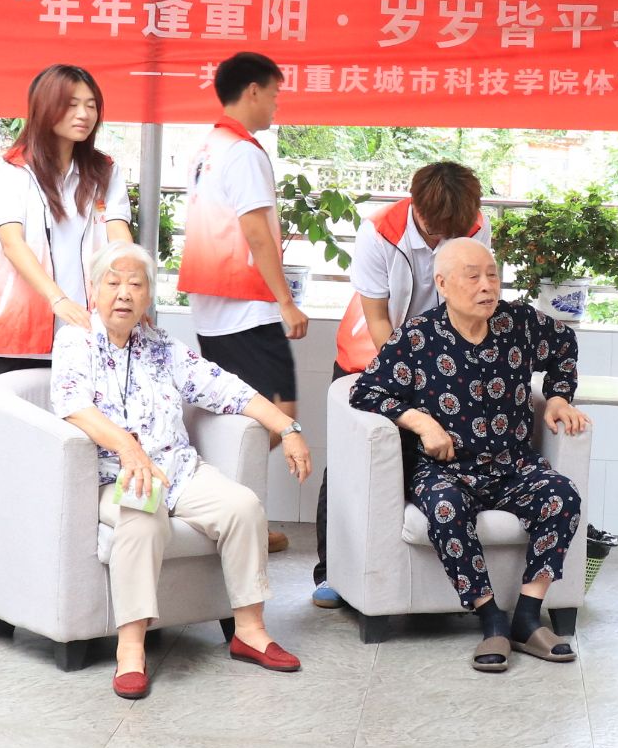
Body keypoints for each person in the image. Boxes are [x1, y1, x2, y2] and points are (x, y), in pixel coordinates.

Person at [49, 242, 312, 698]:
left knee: (242, 507)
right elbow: (73, 404)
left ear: (149, 295)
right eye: (113, 282)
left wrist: (286, 427)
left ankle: (249, 631)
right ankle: (131, 648)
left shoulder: (161, 346)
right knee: (142, 517)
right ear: (94, 290)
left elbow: (223, 388)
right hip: (115, 474)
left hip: (178, 469)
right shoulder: (76, 339)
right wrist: (128, 447)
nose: (124, 293)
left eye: (136, 284)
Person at [349, 238, 590, 674]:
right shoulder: (418, 337)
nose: (487, 286)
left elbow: (564, 345)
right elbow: (366, 391)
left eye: (492, 275)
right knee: (445, 508)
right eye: (473, 276)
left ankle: (527, 616)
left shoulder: (520, 323)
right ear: (442, 284)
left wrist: (557, 397)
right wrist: (421, 422)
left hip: (515, 464)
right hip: (446, 470)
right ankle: (490, 617)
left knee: (562, 496)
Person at [0, 64, 129, 623]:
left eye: (91, 104)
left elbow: (117, 234)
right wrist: (57, 299)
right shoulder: (10, 168)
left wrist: (126, 287)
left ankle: (62, 576)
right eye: (71, 103)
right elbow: (12, 242)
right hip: (23, 334)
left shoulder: (105, 170)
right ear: (45, 108)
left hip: (91, 338)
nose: (83, 114)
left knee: (85, 454)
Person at [315, 160, 486, 609]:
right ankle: (330, 571)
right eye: (433, 229)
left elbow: (472, 302)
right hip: (371, 356)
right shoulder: (379, 232)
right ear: (416, 206)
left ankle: (415, 575)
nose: (440, 238)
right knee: (353, 462)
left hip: (442, 360)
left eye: (450, 232)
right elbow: (377, 319)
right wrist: (407, 378)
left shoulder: (474, 226)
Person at [179, 50, 303, 555]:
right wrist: (286, 301)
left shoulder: (208, 147)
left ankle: (231, 514)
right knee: (274, 415)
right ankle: (227, 513)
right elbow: (255, 231)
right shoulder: (244, 153)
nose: (276, 104)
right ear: (253, 91)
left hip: (214, 306)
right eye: (274, 94)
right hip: (247, 305)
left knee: (241, 417)